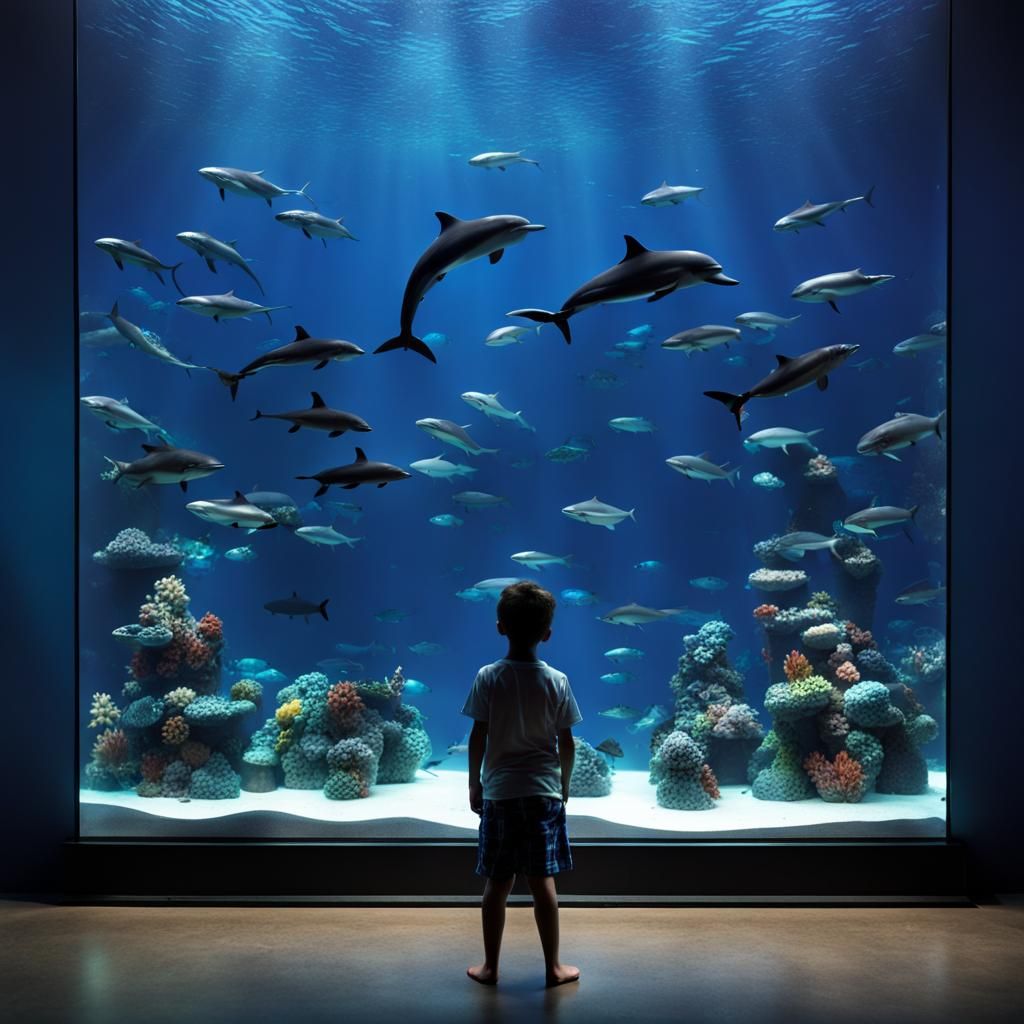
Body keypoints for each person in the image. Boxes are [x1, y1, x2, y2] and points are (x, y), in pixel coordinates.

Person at [461, 580, 583, 988]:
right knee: (542, 883)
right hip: (543, 793)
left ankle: (491, 967)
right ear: (547, 633)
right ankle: (553, 967)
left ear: (500, 627)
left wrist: (474, 784)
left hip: (499, 793)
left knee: (496, 884)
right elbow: (566, 741)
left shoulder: (488, 676)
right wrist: (563, 785)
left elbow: (479, 734)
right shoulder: (557, 680)